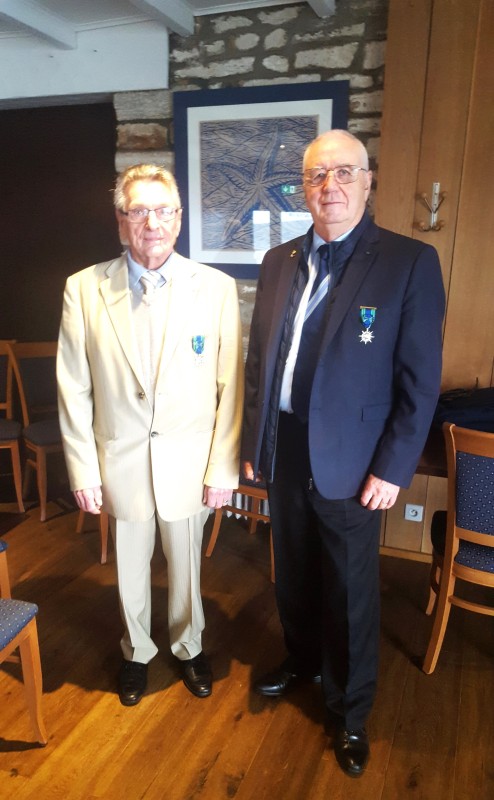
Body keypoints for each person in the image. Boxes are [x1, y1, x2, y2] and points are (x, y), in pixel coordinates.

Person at [241, 130, 445, 777]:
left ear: (368, 179)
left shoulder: (408, 262)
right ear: (303, 188)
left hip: (357, 461)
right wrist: (255, 443)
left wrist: (393, 466)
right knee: (293, 569)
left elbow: (420, 380)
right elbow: (258, 366)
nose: (329, 187)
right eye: (316, 176)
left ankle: (350, 710)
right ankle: (302, 662)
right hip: (286, 445)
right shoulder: (278, 262)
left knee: (352, 590)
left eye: (343, 174)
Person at [57, 163, 244, 706]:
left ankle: (189, 646)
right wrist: (83, 470)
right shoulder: (83, 289)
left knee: (186, 567)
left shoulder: (215, 289)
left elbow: (229, 386)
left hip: (190, 463)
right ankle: (136, 651)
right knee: (129, 569)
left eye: (164, 211)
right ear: (122, 222)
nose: (153, 223)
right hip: (120, 461)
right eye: (139, 211)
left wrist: (222, 468)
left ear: (179, 219)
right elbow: (73, 387)